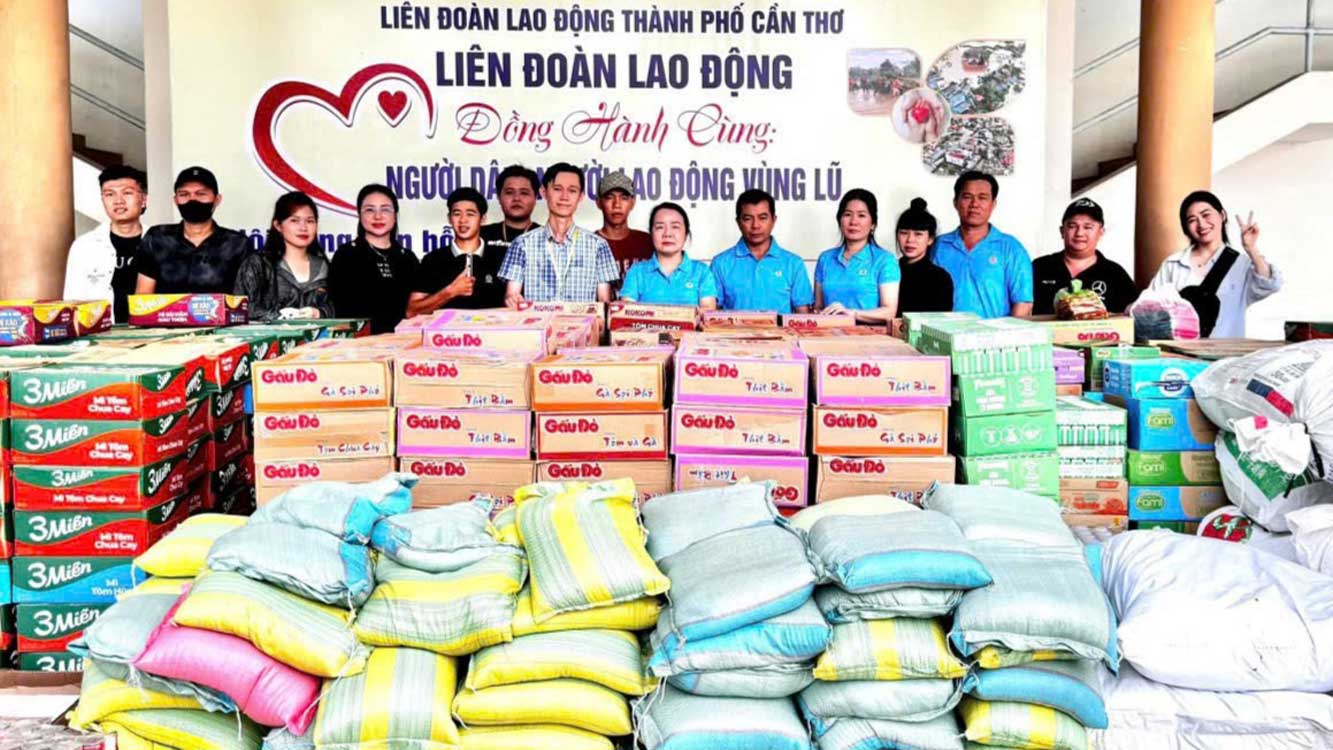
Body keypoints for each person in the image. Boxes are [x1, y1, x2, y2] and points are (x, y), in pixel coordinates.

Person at [1149, 190, 1282, 338]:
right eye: (1192, 220)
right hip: (1179, 356)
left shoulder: (1240, 263)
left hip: (1226, 356)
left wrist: (1251, 248)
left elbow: (1270, 284)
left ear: (1222, 215)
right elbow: (1151, 307)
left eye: (1206, 215)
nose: (1201, 224)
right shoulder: (1173, 264)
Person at [499, 162, 619, 305]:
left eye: (572, 191)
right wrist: (512, 300)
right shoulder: (522, 244)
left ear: (581, 197)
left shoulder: (598, 246)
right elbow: (511, 295)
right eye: (557, 189)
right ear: (544, 192)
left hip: (582, 325)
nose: (564, 197)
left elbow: (603, 302)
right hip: (539, 325)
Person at [931, 170, 1033, 318]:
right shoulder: (939, 245)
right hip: (945, 336)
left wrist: (1008, 336)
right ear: (955, 202)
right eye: (967, 197)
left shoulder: (1010, 247)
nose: (975, 204)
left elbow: (1023, 303)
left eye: (982, 198)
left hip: (994, 337)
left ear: (993, 204)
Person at [134, 166, 250, 295]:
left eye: (201, 194)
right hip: (167, 315)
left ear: (217, 200)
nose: (192, 200)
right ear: (176, 200)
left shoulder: (237, 244)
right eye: (184, 194)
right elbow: (143, 297)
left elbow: (245, 301)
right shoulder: (157, 238)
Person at [328, 184, 420, 333]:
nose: (378, 216)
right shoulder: (346, 255)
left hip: (403, 343)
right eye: (370, 210)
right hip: (360, 345)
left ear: (395, 215)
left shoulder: (407, 258)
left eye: (385, 209)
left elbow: (416, 309)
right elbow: (338, 309)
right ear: (359, 215)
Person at [64, 165, 148, 322]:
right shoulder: (84, 247)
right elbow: (72, 303)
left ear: (143, 200)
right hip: (102, 338)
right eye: (110, 194)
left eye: (127, 193)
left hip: (154, 335)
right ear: (102, 200)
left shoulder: (160, 242)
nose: (118, 201)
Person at [234, 191, 334, 321]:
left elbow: (341, 308)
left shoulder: (326, 266)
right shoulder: (258, 264)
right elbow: (240, 309)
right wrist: (279, 316)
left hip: (319, 340)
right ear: (278, 225)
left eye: (310, 221)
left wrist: (320, 313)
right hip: (270, 339)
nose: (303, 227)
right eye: (294, 220)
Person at [710, 189, 813, 313]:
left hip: (781, 333)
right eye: (748, 219)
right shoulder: (721, 263)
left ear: (773, 220)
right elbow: (712, 316)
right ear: (738, 222)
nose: (755, 225)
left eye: (762, 218)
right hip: (733, 332)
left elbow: (803, 316)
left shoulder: (793, 264)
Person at [1032, 198, 1137, 315]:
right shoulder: (1039, 267)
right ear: (1062, 231)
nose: (1079, 233)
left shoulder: (1115, 274)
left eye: (1088, 227)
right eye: (1072, 226)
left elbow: (1129, 318)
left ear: (1101, 232)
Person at [409, 187, 506, 313]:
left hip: (492, 332)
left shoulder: (501, 256)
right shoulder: (433, 259)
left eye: (470, 214)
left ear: (483, 219)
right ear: (449, 219)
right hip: (445, 333)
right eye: (457, 214)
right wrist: (450, 291)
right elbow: (411, 311)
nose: (463, 220)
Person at [813, 188, 900, 323]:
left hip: (869, 339)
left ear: (873, 224)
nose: (853, 221)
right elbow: (818, 307)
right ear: (840, 221)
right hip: (828, 336)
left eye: (861, 215)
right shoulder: (825, 258)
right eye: (847, 214)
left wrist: (851, 313)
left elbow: (889, 312)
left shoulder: (885, 260)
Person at [619, 202, 718, 309]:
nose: (667, 234)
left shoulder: (701, 272)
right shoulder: (637, 271)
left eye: (675, 227)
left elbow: (707, 315)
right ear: (651, 234)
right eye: (660, 227)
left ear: (686, 234)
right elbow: (626, 313)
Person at [894, 198, 954, 314]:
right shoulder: (888, 270)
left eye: (918, 234)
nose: (910, 240)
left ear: (930, 239)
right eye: (904, 233)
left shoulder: (940, 278)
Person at [594, 169, 653, 282]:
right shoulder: (589, 245)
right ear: (598, 202)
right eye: (609, 197)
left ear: (632, 202)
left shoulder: (648, 243)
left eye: (624, 198)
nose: (617, 205)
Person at [480, 164, 541, 256]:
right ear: (499, 197)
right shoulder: (480, 235)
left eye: (524, 193)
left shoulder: (546, 237)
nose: (516, 198)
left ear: (535, 198)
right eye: (509, 192)